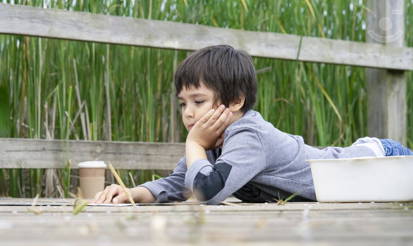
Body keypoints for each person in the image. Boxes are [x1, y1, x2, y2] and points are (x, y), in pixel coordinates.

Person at [93, 44, 413, 205]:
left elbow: (207, 191)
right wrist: (132, 193)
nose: (188, 113)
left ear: (236, 101)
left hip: (375, 162)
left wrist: (193, 144)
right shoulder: (214, 144)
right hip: (359, 179)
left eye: (198, 101)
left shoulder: (248, 134)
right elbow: (183, 182)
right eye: (183, 103)